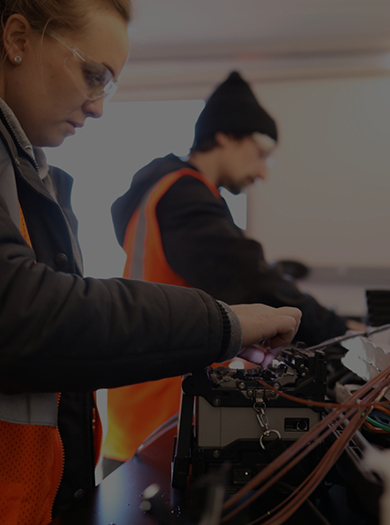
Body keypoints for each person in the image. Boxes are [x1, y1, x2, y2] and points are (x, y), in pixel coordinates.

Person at [0, 2, 303, 523]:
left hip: (90, 439)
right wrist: (235, 322)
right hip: (156, 413)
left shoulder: (38, 176)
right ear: (17, 38)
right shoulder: (185, 195)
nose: (97, 107)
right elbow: (22, 312)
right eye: (92, 75)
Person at [103, 71, 364, 473]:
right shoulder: (183, 196)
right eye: (260, 153)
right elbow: (253, 280)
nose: (262, 172)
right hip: (164, 420)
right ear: (224, 136)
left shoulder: (162, 190)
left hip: (145, 406)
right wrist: (343, 333)